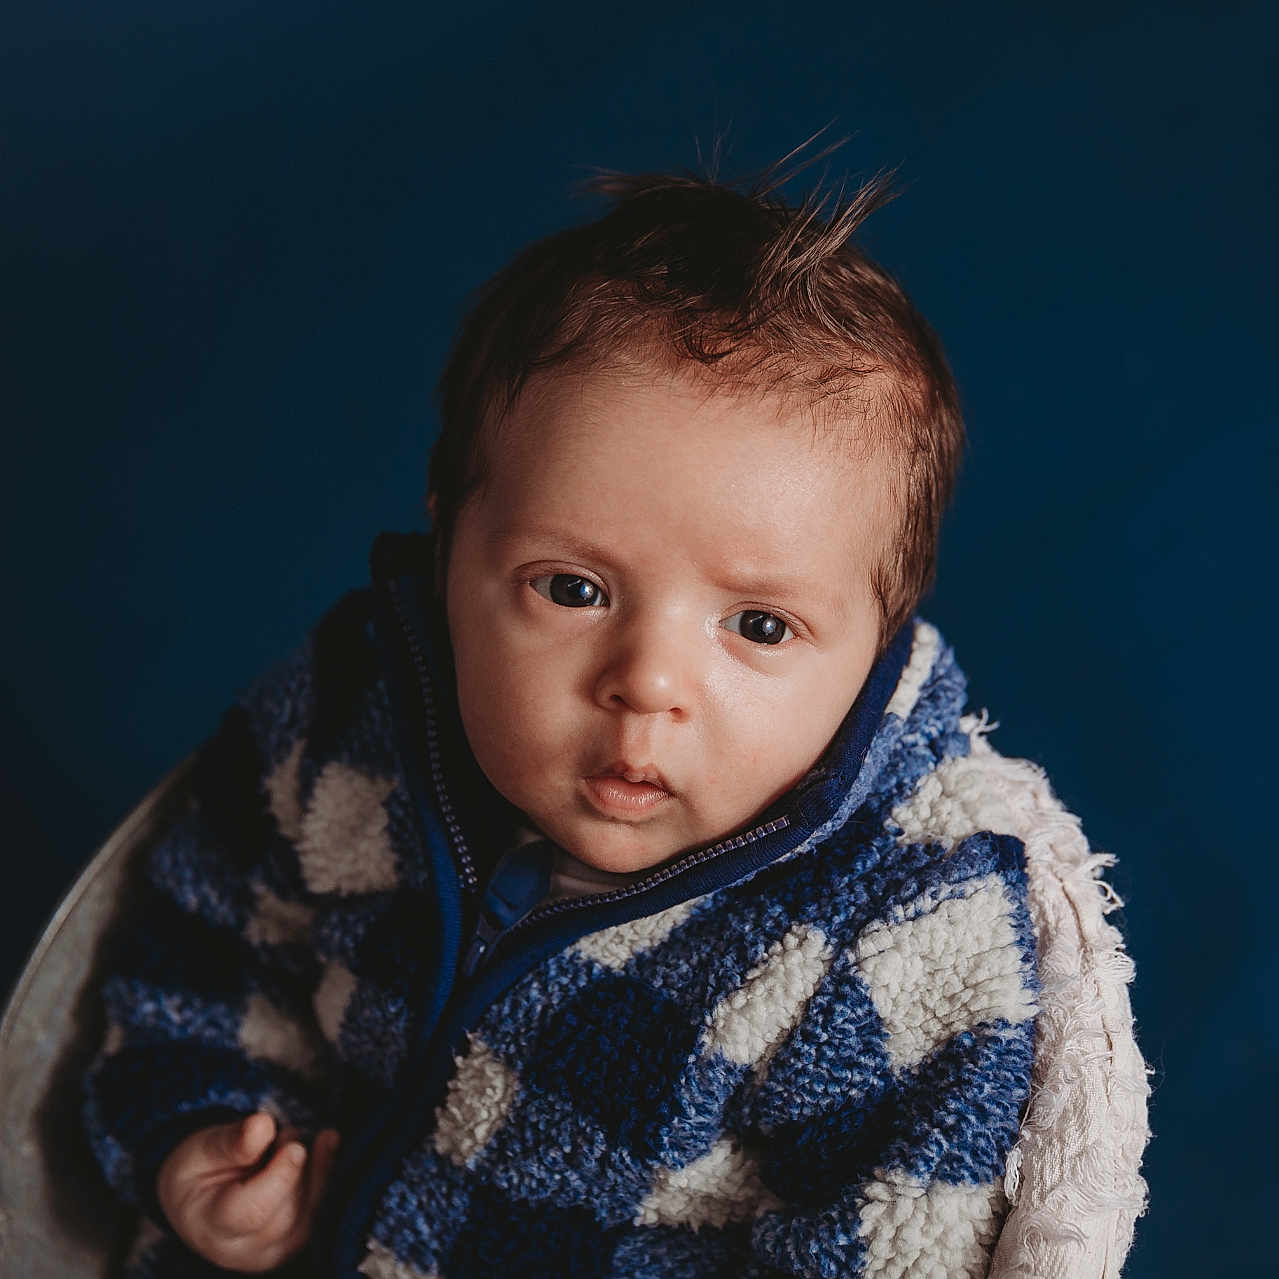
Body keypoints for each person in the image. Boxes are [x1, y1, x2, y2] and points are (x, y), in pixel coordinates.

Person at [83, 152, 1047, 1278]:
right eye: (573, 589)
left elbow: (899, 1241)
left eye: (760, 626)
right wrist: (193, 1134)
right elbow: (195, 950)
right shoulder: (349, 721)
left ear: (879, 639)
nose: (647, 681)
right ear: (452, 547)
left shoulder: (896, 930)